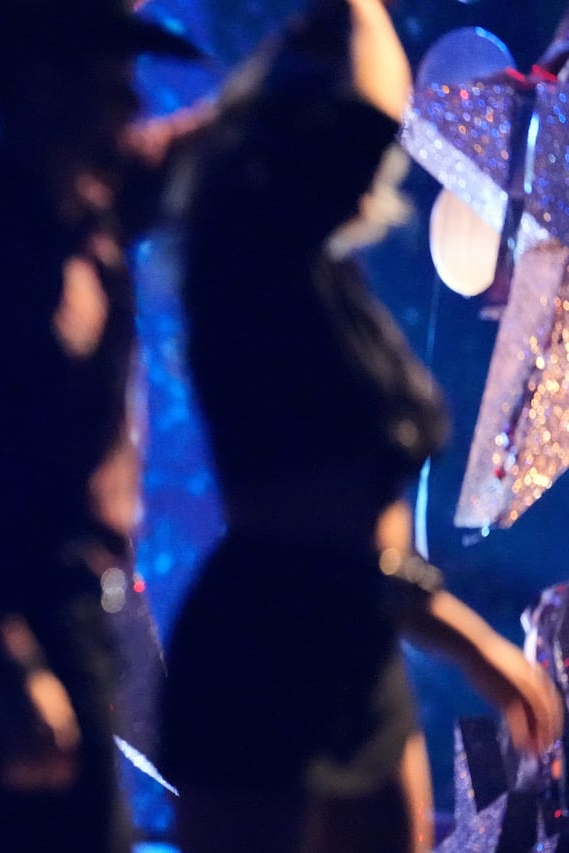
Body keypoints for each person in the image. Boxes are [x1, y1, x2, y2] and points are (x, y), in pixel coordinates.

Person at [156, 1, 564, 851]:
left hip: (358, 640)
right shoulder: (259, 284)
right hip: (266, 651)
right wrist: (467, 638)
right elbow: (317, 531)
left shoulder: (334, 286)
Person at [0, 1, 199, 851]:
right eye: (113, 80)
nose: (133, 105)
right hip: (2, 619)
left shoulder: (82, 216)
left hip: (59, 615)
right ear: (50, 87)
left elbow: (193, 148)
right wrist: (6, 661)